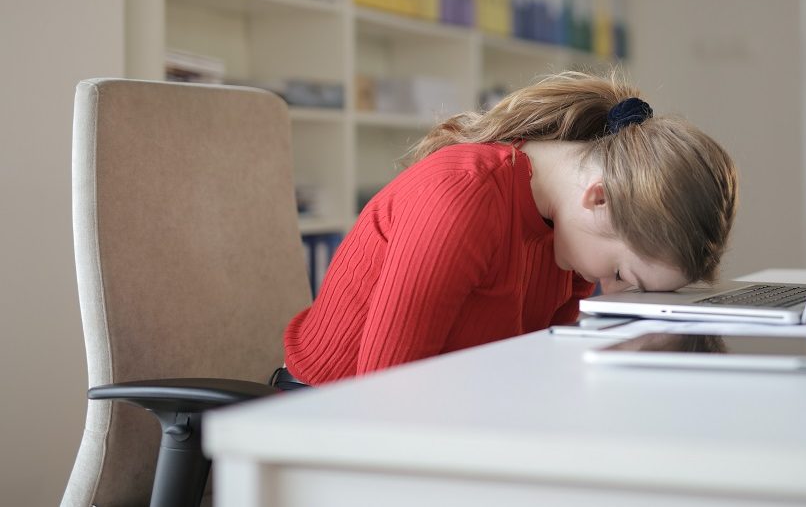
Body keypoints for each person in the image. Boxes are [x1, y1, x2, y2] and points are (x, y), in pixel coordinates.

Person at [279, 70, 739, 385]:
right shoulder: (461, 197)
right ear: (598, 199)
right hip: (327, 417)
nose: (612, 293)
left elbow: (537, 370)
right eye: (623, 277)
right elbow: (385, 396)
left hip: (447, 409)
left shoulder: (571, 235)